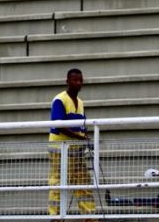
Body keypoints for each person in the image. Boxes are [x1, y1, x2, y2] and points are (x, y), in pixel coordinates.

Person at [48, 68, 97, 221]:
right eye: (75, 80)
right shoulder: (59, 100)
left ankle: (89, 217)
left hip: (76, 150)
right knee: (59, 182)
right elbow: (59, 125)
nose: (78, 83)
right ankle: (55, 217)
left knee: (83, 181)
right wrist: (82, 138)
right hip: (60, 149)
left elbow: (82, 126)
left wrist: (85, 137)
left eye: (80, 80)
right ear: (67, 81)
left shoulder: (81, 103)